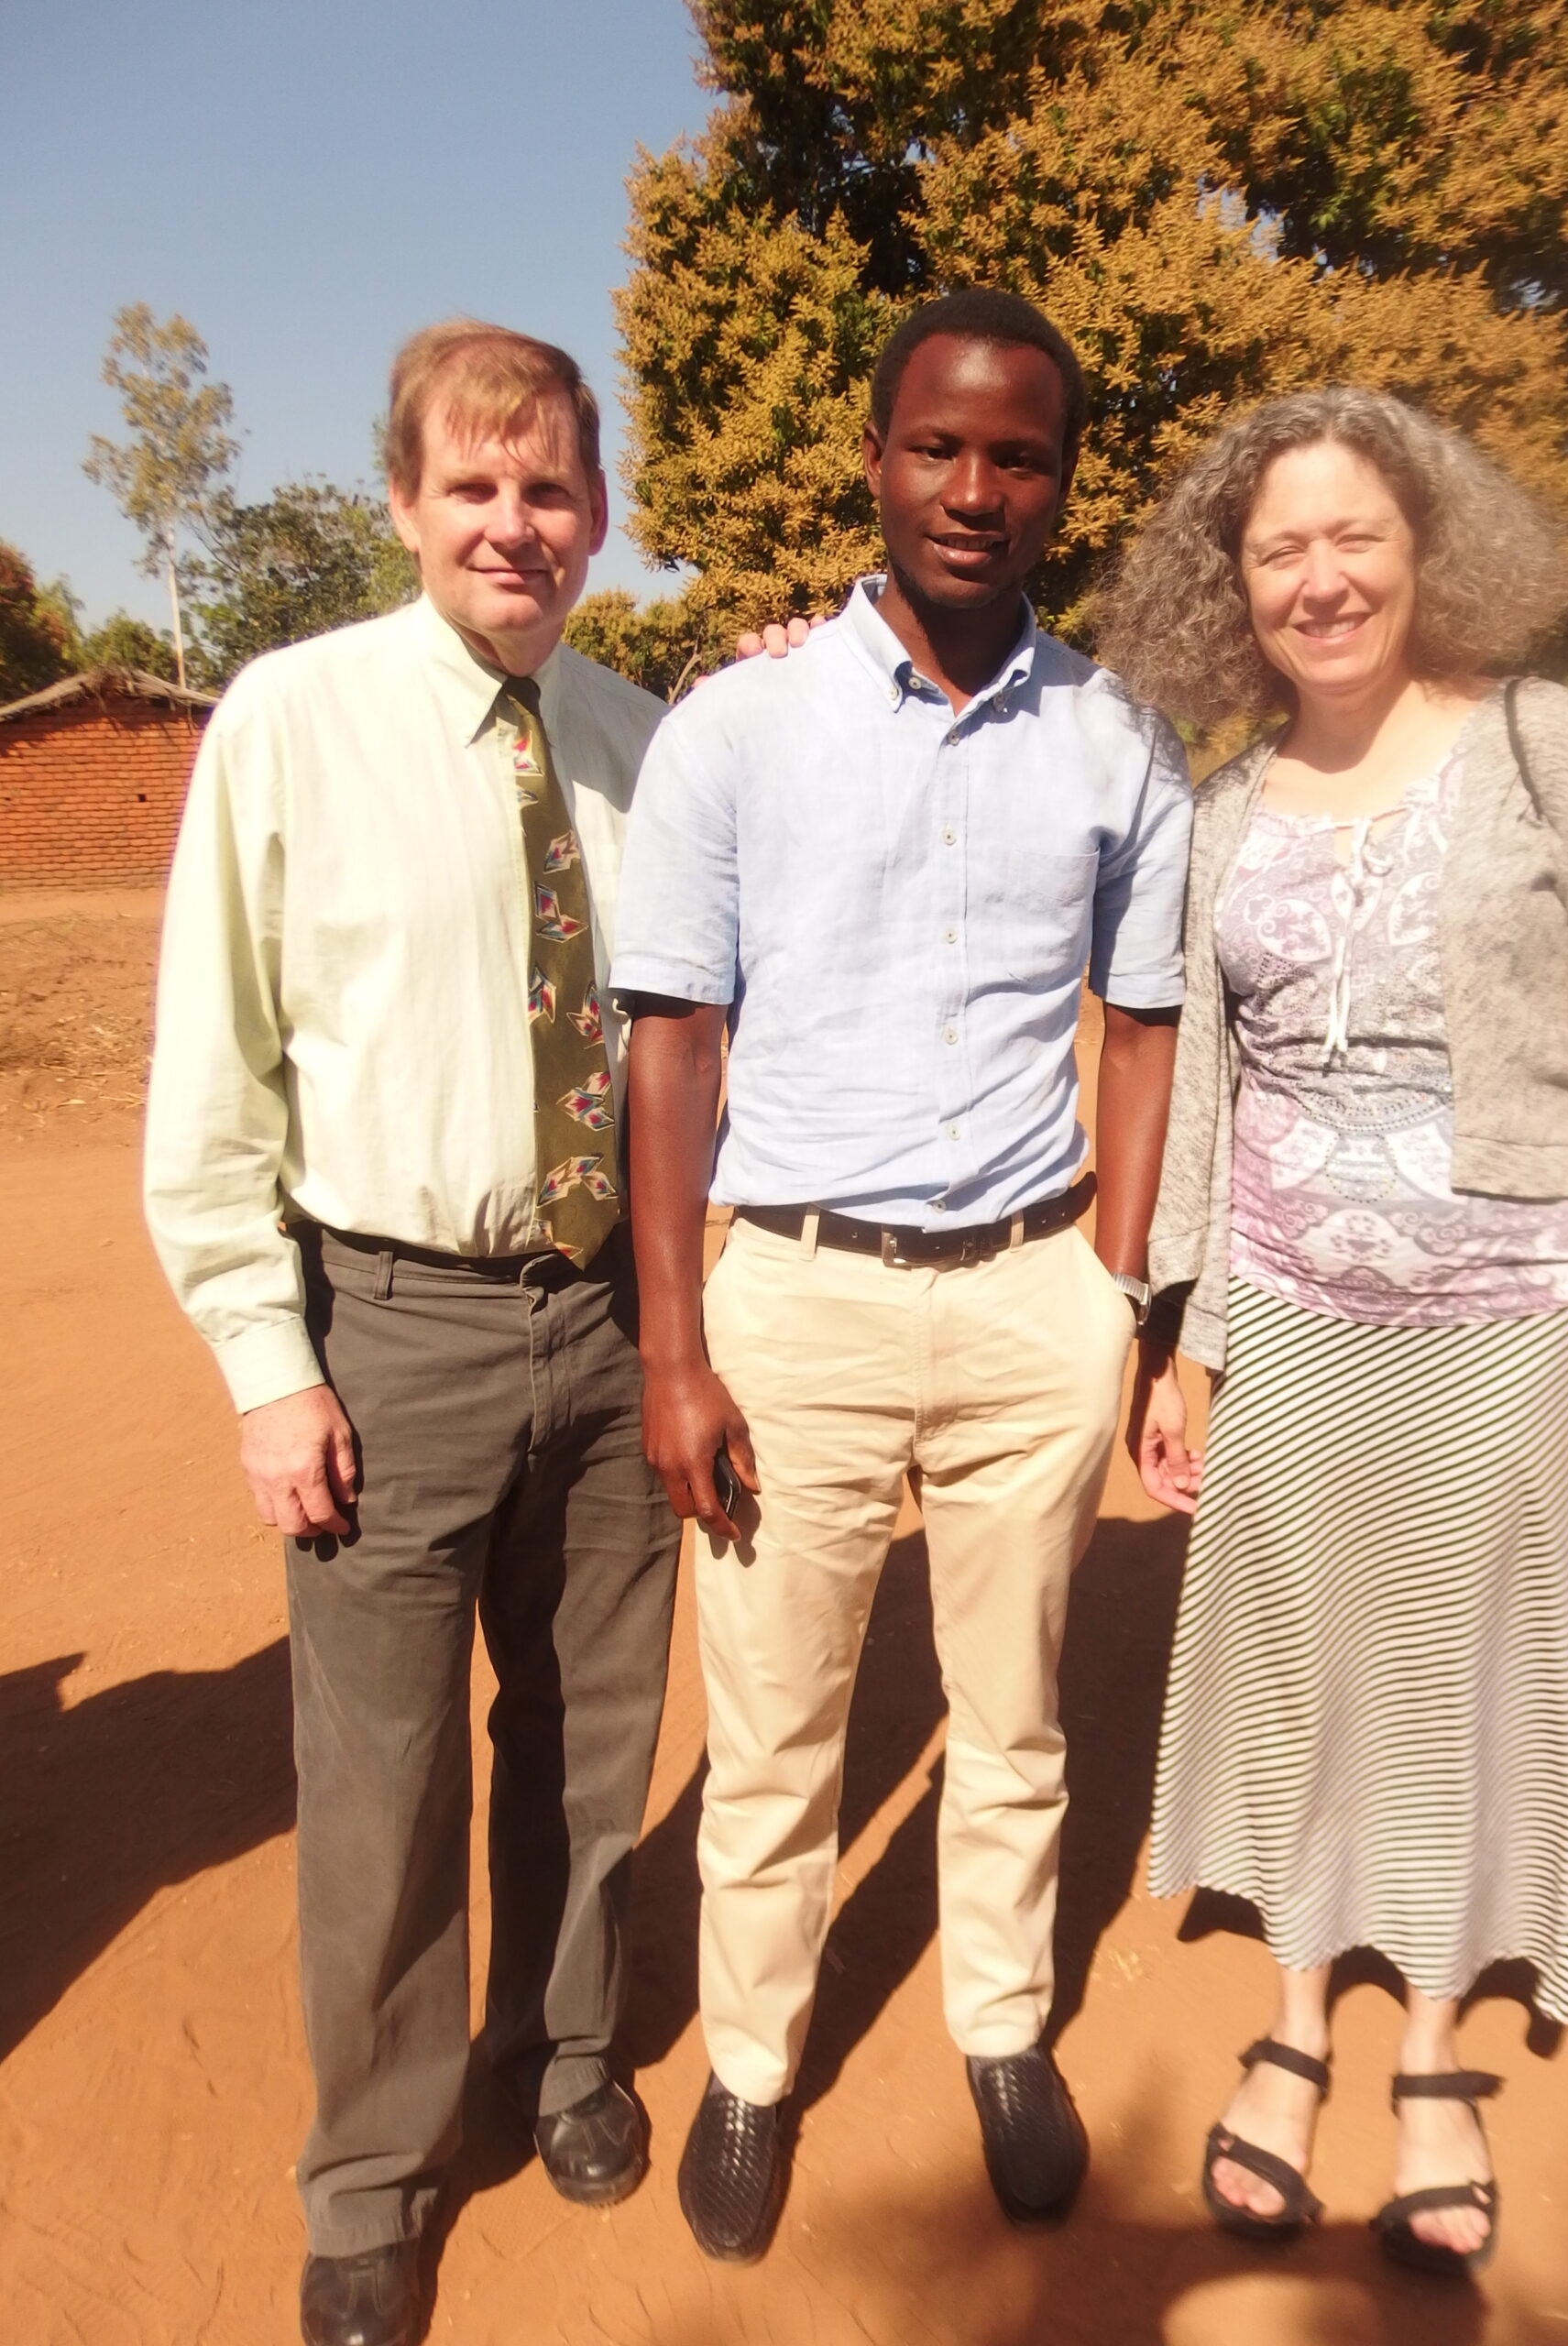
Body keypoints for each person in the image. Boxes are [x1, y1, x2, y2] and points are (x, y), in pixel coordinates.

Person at [609, 287, 1194, 2262]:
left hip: (1034, 1296)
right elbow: (675, 1036)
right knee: (777, 1729)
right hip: (799, 1302)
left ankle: (1002, 2028)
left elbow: (1142, 1024)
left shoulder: (1118, 740)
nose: (973, 487)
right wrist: (675, 1342)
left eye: (1018, 455)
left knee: (1014, 1713)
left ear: (1061, 483)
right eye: (937, 445)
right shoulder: (737, 726)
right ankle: (752, 2064)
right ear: (875, 459)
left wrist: (1113, 1291)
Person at [1102, 388, 1568, 2277]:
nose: (1321, 577)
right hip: (1288, 1309)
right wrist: (1186, 1336)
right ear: (1235, 585)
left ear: (1424, 545)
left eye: (1353, 535)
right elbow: (1210, 1094)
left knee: (1464, 1674)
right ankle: (1296, 2016)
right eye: (1278, 548)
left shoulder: (1549, 745)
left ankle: (1432, 2048)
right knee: (1294, 1664)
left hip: (1509, 1315)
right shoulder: (1225, 806)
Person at [144, 321, 681, 2346]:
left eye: (549, 488)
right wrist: (268, 1365)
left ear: (597, 514)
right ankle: (373, 2165)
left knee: (593, 1731)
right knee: (378, 1780)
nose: (512, 524)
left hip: (612, 1322)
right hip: (388, 1327)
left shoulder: (648, 745)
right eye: (473, 485)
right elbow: (217, 1067)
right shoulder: (291, 722)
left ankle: (563, 2053)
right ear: (404, 504)